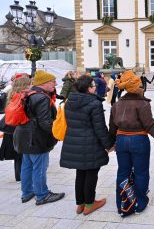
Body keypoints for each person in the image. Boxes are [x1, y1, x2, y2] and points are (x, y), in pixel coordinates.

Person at [109, 70, 154, 215]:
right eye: (141, 86)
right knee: (141, 172)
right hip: (139, 140)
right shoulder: (142, 104)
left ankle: (123, 204)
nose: (143, 88)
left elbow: (112, 128)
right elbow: (149, 125)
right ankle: (139, 203)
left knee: (123, 172)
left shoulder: (117, 104)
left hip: (121, 140)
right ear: (135, 87)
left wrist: (110, 144)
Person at [60, 75, 114, 215]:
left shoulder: (70, 101)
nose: (95, 87)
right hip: (90, 143)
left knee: (80, 173)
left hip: (75, 142)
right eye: (93, 85)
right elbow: (100, 128)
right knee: (91, 173)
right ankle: (89, 204)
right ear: (88, 88)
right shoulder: (94, 103)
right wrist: (108, 145)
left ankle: (81, 203)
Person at [13, 70, 65, 204]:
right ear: (44, 83)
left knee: (27, 166)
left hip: (24, 136)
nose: (55, 84)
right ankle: (42, 195)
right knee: (39, 167)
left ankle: (27, 193)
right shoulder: (41, 98)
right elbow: (45, 122)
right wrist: (57, 132)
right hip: (36, 138)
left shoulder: (29, 93)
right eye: (53, 81)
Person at [0, 75, 31, 182]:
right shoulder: (21, 96)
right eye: (29, 83)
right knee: (21, 154)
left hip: (10, 127)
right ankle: (22, 176)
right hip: (16, 127)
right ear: (24, 85)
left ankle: (19, 176)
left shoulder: (11, 93)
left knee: (17, 154)